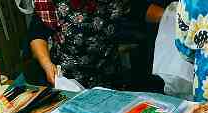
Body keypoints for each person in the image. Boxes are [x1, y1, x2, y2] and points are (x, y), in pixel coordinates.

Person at [28, 0, 165, 89]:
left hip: (109, 77)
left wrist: (173, 16)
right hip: (69, 81)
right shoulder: (53, 3)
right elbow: (37, 33)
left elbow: (139, 9)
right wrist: (46, 64)